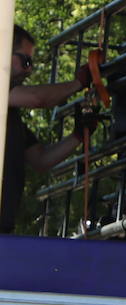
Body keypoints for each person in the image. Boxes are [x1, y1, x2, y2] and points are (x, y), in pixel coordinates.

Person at [3, 26, 99, 234]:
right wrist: (79, 82)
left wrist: (78, 134)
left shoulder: (11, 119)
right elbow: (39, 99)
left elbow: (41, 160)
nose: (30, 70)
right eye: (26, 61)